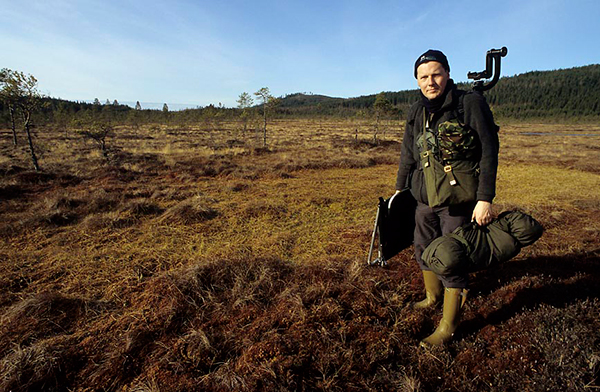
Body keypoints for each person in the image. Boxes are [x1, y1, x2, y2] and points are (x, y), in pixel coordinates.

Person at [395, 49, 500, 346]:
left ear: (448, 74)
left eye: (436, 74)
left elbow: (489, 151)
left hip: (457, 200)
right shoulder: (417, 110)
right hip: (424, 197)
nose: (431, 82)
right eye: (424, 77)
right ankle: (432, 296)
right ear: (417, 81)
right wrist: (401, 189)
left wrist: (485, 198)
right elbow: (408, 152)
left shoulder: (470, 103)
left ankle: (448, 327)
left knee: (451, 258)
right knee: (423, 246)